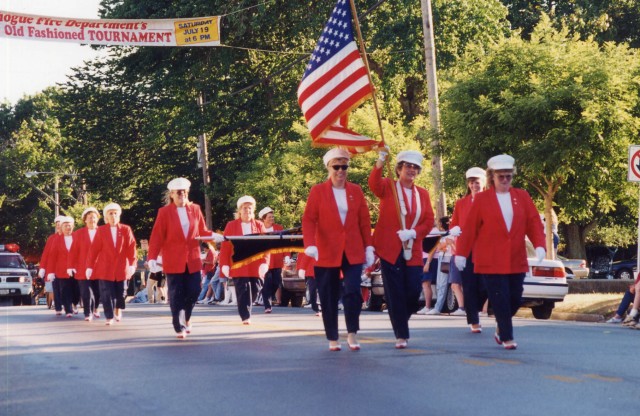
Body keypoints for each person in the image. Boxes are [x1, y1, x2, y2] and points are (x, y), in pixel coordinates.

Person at [455, 155, 546, 350]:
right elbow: (470, 228)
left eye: (508, 176)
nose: (505, 180)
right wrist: (461, 253)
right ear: (492, 178)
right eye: (501, 177)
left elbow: (533, 222)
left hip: (515, 258)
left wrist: (540, 245)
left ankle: (500, 327)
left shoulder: (522, 196)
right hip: (490, 259)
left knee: (515, 296)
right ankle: (507, 336)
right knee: (500, 297)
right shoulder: (482, 199)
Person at [303, 148, 374, 352]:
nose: (341, 170)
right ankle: (333, 337)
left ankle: (352, 332)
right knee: (328, 294)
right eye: (336, 166)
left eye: (344, 166)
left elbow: (364, 221)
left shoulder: (356, 190)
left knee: (353, 290)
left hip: (352, 249)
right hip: (326, 250)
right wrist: (310, 243)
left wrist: (368, 246)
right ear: (328, 167)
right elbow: (309, 219)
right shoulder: (318, 191)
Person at [369, 149, 435, 349]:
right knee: (395, 292)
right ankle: (401, 333)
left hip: (412, 249)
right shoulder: (388, 187)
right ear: (399, 169)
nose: (411, 170)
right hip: (389, 248)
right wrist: (380, 161)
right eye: (407, 166)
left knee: (414, 292)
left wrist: (414, 233)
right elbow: (373, 184)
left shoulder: (422, 194)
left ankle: (400, 320)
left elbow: (429, 219)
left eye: (415, 167)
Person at [148, 178, 222, 338]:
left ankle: (186, 317)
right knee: (176, 293)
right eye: (178, 193)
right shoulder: (164, 212)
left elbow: (202, 231)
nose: (182, 195)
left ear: (187, 193)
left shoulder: (195, 209)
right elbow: (156, 237)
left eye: (184, 192)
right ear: (172, 195)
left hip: (193, 260)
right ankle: (179, 324)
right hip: (173, 261)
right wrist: (152, 258)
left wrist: (215, 236)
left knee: (194, 290)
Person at [219, 195, 270, 324]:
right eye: (245, 208)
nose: (247, 210)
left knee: (255, 288)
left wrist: (265, 262)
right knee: (242, 290)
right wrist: (224, 265)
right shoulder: (231, 225)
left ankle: (247, 305)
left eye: (250, 208)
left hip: (255, 264)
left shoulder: (259, 225)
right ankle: (245, 316)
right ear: (240, 210)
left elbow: (267, 246)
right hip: (238, 264)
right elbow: (225, 247)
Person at [448, 167, 488, 332]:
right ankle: (474, 321)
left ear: (484, 183)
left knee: (485, 285)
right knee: (469, 285)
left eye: (477, 182)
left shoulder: (490, 201)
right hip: (466, 249)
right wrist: (454, 230)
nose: (474, 185)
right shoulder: (461, 203)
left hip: (486, 249)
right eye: (471, 182)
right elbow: (454, 223)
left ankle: (476, 307)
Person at [86, 203, 137, 326]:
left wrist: (132, 264)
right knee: (106, 293)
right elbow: (94, 250)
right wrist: (89, 266)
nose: (113, 216)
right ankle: (109, 316)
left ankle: (118, 308)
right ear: (106, 217)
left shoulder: (126, 229)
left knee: (121, 293)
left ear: (119, 215)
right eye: (110, 214)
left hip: (121, 267)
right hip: (105, 268)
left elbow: (131, 247)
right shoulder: (101, 231)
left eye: (115, 213)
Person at [69, 207, 102, 321]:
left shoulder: (102, 232)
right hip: (82, 267)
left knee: (97, 292)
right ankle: (88, 313)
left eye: (94, 217)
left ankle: (96, 307)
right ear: (85, 220)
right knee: (86, 291)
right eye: (89, 218)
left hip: (99, 268)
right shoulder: (78, 234)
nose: (92, 220)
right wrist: (71, 266)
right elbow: (73, 251)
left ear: (97, 219)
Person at [258, 206, 290, 313]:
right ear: (264, 218)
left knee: (277, 282)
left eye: (273, 217)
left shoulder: (279, 228)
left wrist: (287, 255)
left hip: (277, 260)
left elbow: (285, 243)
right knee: (267, 283)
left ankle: (267, 296)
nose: (272, 218)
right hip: (264, 261)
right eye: (270, 217)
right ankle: (267, 305)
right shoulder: (259, 228)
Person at [47, 216, 76, 317]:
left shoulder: (77, 237)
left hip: (76, 269)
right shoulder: (55, 239)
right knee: (64, 289)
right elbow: (50, 256)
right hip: (61, 270)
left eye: (69, 225)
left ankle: (74, 304)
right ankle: (68, 309)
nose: (67, 228)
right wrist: (49, 271)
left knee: (76, 289)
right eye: (65, 226)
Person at [38, 215, 65, 315]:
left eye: (60, 224)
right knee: (53, 287)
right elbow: (45, 254)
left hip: (65, 268)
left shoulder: (69, 237)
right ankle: (55, 303)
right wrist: (42, 268)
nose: (58, 226)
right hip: (52, 268)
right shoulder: (51, 238)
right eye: (57, 225)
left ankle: (67, 303)